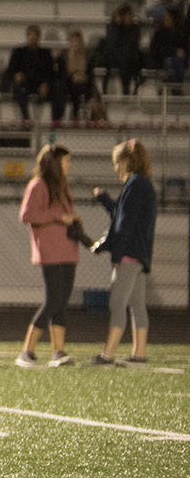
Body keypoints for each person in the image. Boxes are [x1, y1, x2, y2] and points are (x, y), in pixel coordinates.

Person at [16, 144, 83, 368]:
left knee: (61, 302)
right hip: (50, 251)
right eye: (66, 161)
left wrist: (73, 220)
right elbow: (27, 215)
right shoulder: (38, 185)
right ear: (54, 163)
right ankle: (27, 351)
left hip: (67, 250)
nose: (69, 165)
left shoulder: (62, 186)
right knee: (53, 300)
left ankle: (58, 351)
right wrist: (59, 216)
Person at [92, 139, 156, 366]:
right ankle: (139, 354)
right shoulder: (144, 184)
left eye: (117, 162)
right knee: (137, 305)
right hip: (140, 253)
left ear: (128, 160)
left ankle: (108, 353)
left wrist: (116, 254)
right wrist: (105, 199)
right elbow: (122, 214)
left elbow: (124, 223)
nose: (115, 167)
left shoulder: (134, 184)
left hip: (129, 253)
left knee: (117, 302)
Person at [6, 25, 60, 122]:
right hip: (24, 83)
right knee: (19, 87)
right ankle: (26, 117)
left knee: (57, 89)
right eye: (32, 37)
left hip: (39, 84)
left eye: (36, 37)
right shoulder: (18, 52)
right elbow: (10, 70)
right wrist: (16, 75)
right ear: (27, 37)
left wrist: (46, 83)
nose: (33, 40)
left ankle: (55, 120)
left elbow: (51, 72)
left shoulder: (45, 54)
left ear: (39, 38)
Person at [98, 3, 145, 95]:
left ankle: (127, 89)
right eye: (129, 15)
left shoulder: (135, 28)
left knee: (126, 57)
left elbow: (133, 43)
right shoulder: (112, 27)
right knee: (115, 55)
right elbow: (112, 42)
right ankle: (106, 90)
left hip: (130, 57)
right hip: (114, 58)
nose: (131, 18)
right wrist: (117, 25)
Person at [59, 30, 103, 122]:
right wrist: (73, 77)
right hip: (68, 83)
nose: (76, 44)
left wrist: (83, 76)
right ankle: (77, 112)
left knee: (83, 86)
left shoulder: (87, 56)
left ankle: (83, 112)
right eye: (74, 41)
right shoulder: (63, 56)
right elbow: (61, 74)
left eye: (78, 41)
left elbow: (90, 74)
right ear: (70, 42)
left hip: (84, 82)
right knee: (76, 87)